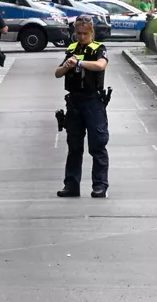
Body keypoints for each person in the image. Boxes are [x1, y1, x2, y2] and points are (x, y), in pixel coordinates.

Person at [54, 15, 110, 198]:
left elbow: (101, 65)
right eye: (78, 33)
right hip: (74, 102)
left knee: (97, 145)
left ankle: (100, 185)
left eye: (85, 33)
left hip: (93, 101)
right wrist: (67, 65)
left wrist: (79, 63)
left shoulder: (98, 48)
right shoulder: (72, 49)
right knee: (74, 146)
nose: (82, 36)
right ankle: (71, 185)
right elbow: (57, 73)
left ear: (91, 32)